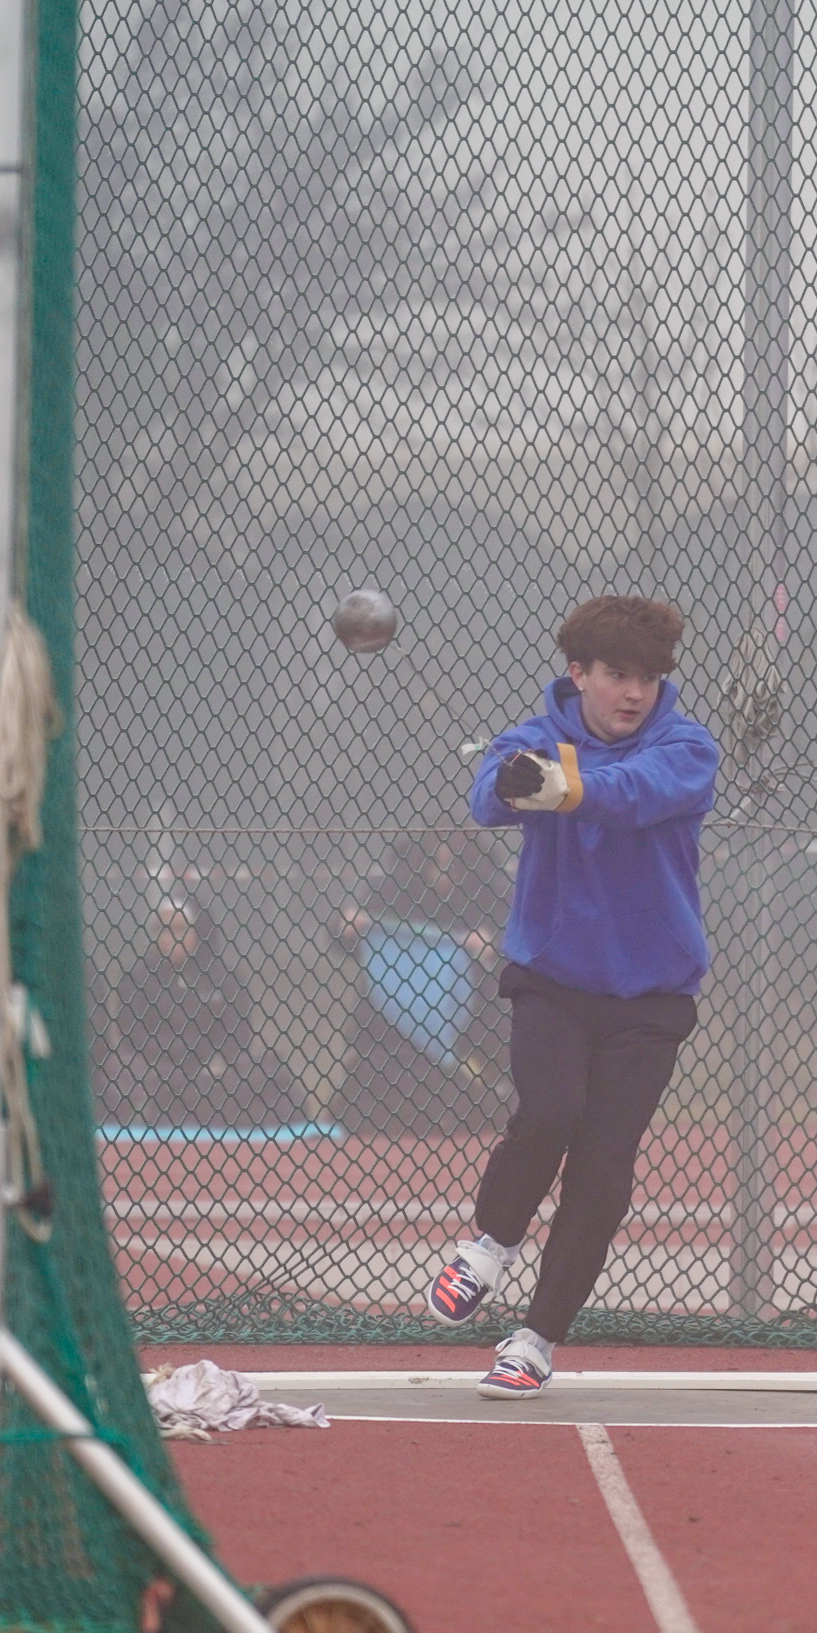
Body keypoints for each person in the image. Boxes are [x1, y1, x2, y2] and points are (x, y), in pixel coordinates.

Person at [425, 595, 717, 1398]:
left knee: (603, 1166)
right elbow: (487, 800)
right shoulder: (530, 739)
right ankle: (488, 1247)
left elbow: (635, 793)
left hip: (652, 993)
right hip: (552, 976)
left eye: (649, 678)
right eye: (617, 675)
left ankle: (535, 1340)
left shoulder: (687, 747)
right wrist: (516, 782)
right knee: (549, 1111)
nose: (634, 693)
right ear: (577, 673)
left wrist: (563, 786)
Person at [329, 832, 511, 1136]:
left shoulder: (490, 896)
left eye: (452, 867)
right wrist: (345, 927)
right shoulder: (391, 895)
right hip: (392, 1030)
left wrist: (492, 944)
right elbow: (346, 942)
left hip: (471, 1028)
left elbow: (522, 949)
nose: (442, 877)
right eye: (435, 865)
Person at [100, 895, 305, 1130]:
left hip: (213, 1073)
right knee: (119, 1067)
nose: (167, 937)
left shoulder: (224, 977)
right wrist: (181, 1055)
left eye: (178, 929)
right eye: (161, 929)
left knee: (265, 1068)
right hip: (158, 1071)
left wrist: (211, 1060)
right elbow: (132, 1035)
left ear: (198, 932)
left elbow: (238, 1035)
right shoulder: (137, 977)